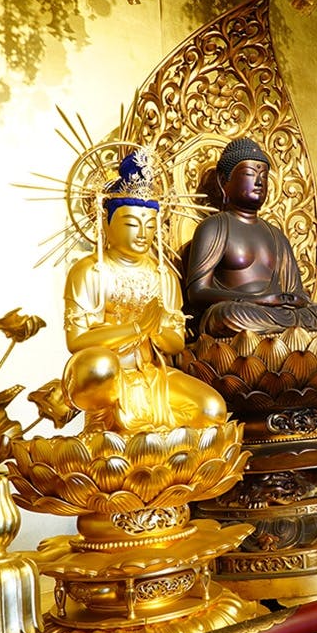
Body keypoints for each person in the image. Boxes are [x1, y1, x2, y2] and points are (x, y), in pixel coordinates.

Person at [62, 148, 228, 433]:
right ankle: (102, 426)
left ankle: (151, 437)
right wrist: (138, 328)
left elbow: (175, 342)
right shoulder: (89, 271)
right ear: (106, 223)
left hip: (152, 375)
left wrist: (156, 329)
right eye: (131, 224)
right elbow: (77, 342)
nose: (142, 233)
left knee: (213, 410)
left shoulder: (162, 274)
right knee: (99, 366)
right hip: (107, 377)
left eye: (150, 225)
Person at [182, 137, 317, 337]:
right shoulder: (214, 226)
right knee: (227, 315)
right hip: (245, 312)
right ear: (224, 182)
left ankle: (292, 334)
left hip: (281, 314)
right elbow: (197, 293)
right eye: (250, 174)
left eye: (264, 176)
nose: (259, 182)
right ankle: (294, 336)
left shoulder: (276, 235)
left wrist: (294, 300)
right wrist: (261, 300)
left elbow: (298, 293)